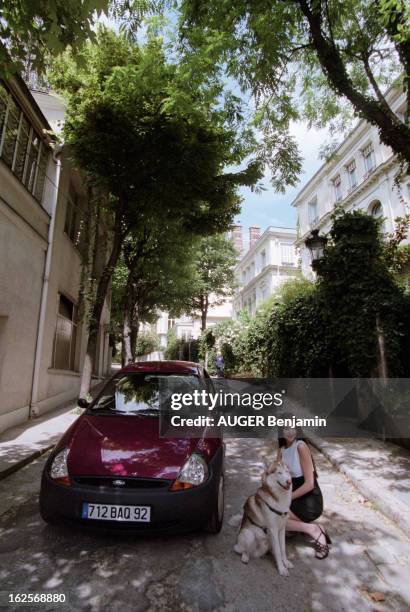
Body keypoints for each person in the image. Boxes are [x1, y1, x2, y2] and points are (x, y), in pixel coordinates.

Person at [276, 422, 331, 559]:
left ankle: (313, 530)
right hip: (293, 496)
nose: (290, 431)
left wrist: (287, 499)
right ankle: (302, 527)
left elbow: (309, 484)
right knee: (269, 514)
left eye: (292, 427)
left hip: (309, 499)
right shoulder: (282, 450)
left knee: (276, 519)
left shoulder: (300, 446)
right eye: (285, 428)